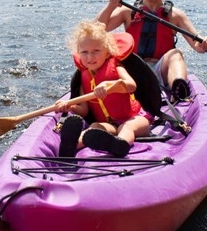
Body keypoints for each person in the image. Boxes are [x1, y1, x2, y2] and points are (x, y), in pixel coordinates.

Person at [96, 0, 207, 100]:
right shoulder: (127, 11)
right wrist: (111, 6)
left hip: (161, 69)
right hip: (133, 69)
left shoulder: (176, 15)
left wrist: (206, 44)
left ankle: (178, 90)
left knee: (176, 54)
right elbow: (96, 30)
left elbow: (197, 45)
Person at [54, 20, 151, 159]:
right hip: (109, 125)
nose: (90, 57)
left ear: (107, 52)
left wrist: (109, 85)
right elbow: (84, 110)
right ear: (79, 54)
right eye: (84, 52)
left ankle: (121, 145)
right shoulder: (84, 78)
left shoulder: (117, 67)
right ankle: (71, 145)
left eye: (96, 51)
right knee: (94, 127)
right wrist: (69, 106)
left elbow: (131, 85)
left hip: (135, 119)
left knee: (126, 127)